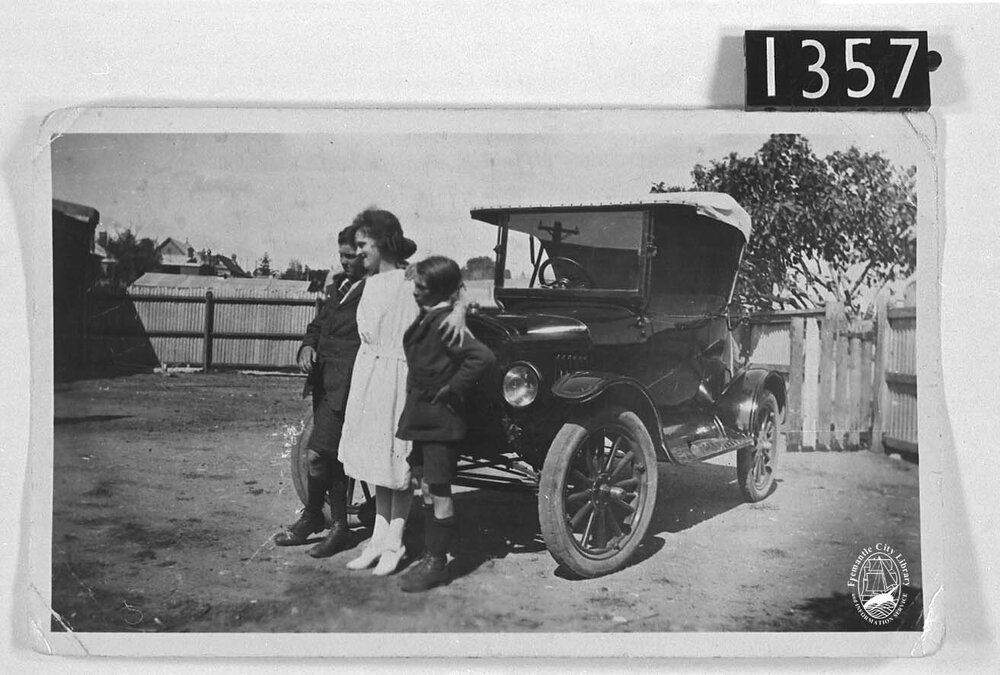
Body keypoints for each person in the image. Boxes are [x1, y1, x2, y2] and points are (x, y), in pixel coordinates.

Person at [339, 209, 466, 576]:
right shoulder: (366, 282)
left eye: (364, 244)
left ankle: (396, 541)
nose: (358, 250)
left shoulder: (411, 279)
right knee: (377, 464)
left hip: (399, 376)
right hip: (371, 376)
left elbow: (456, 287)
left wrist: (460, 312)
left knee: (398, 465)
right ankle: (378, 539)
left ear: (383, 243)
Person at [395, 256, 495, 592]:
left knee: (438, 490)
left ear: (435, 290)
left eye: (420, 287)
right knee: (426, 487)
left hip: (440, 420)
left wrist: (453, 389)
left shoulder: (445, 324)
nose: (414, 292)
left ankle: (438, 564)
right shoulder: (433, 316)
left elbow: (482, 357)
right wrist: (460, 305)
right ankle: (431, 552)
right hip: (424, 417)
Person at [274, 224, 366, 557]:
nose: (345, 262)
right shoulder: (339, 286)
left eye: (351, 256)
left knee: (319, 455)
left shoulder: (372, 290)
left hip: (349, 384)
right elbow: (318, 325)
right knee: (327, 456)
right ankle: (327, 521)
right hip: (323, 382)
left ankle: (322, 519)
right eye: (341, 255)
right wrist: (307, 346)